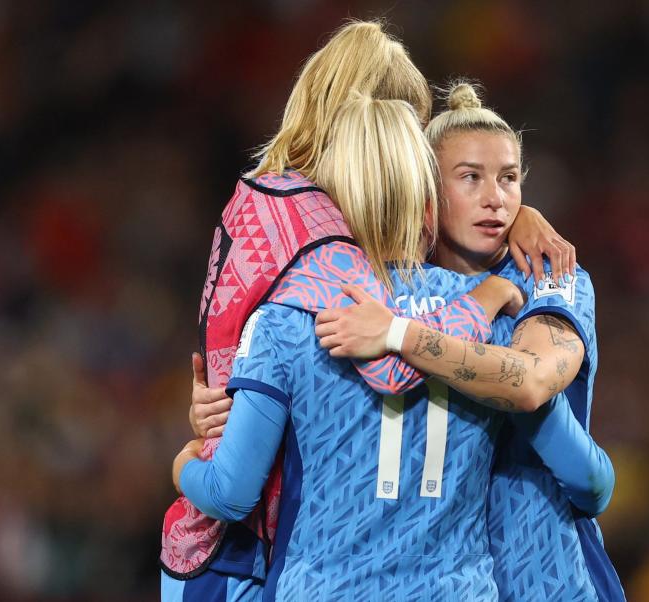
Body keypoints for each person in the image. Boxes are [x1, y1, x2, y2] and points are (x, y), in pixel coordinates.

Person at [162, 19, 573, 600]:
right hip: (243, 552)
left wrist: (516, 215)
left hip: (260, 546)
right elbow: (390, 362)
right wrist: (484, 294)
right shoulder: (325, 252)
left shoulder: (259, 208)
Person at [300, 83, 626, 600]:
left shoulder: (549, 276)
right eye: (470, 178)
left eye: (509, 179)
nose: (495, 199)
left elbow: (536, 389)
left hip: (551, 573)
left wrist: (399, 335)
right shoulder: (382, 286)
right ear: (425, 187)